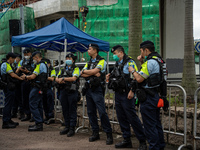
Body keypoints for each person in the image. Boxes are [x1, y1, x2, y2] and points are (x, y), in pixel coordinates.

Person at [106, 45, 147, 149]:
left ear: (121, 53)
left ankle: (142, 142)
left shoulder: (130, 62)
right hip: (118, 94)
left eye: (115, 54)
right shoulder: (117, 64)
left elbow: (135, 78)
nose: (114, 56)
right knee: (121, 118)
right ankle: (126, 140)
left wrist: (132, 91)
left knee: (132, 118)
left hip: (127, 94)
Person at [128, 41, 165, 150]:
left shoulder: (150, 62)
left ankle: (154, 147)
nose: (141, 53)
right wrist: (142, 62)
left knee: (150, 126)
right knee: (156, 124)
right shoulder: (159, 60)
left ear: (146, 50)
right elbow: (149, 74)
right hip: (155, 95)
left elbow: (139, 78)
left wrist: (133, 70)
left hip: (149, 98)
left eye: (141, 51)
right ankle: (160, 146)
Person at [81, 43, 113, 145]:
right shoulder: (89, 62)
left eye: (89, 49)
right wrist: (93, 72)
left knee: (102, 112)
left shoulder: (102, 61)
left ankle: (109, 134)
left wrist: (90, 72)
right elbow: (82, 73)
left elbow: (96, 70)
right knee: (90, 112)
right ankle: (95, 132)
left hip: (97, 89)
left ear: (95, 50)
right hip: (89, 89)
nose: (88, 51)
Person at [21, 51, 48, 131]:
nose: (33, 60)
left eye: (33, 59)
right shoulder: (44, 64)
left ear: (36, 57)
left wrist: (25, 77)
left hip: (37, 87)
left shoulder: (40, 65)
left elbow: (33, 76)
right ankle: (39, 123)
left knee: (32, 103)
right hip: (40, 87)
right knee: (38, 105)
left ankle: (38, 123)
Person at [56, 53, 80, 137]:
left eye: (69, 58)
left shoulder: (76, 68)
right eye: (66, 58)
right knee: (65, 109)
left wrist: (63, 79)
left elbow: (74, 78)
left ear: (73, 60)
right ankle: (67, 126)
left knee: (72, 110)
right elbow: (56, 77)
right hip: (63, 91)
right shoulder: (62, 69)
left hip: (72, 91)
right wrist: (59, 80)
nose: (67, 59)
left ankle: (72, 128)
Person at [1, 52, 23, 129]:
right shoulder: (6, 65)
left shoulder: (8, 65)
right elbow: (12, 75)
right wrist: (20, 78)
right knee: (8, 104)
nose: (14, 60)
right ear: (10, 58)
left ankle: (8, 120)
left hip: (9, 86)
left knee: (10, 104)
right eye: (13, 58)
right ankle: (5, 122)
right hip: (8, 86)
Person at [16, 48, 34, 121]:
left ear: (30, 53)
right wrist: (20, 69)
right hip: (23, 81)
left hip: (31, 81)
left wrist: (27, 71)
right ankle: (27, 114)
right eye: (25, 54)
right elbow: (16, 71)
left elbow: (35, 72)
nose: (26, 55)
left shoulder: (33, 61)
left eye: (27, 54)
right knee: (24, 98)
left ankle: (33, 115)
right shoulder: (21, 62)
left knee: (32, 99)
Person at [42, 58, 55, 124]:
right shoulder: (44, 70)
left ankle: (51, 117)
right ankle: (46, 116)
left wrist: (44, 77)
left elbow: (52, 78)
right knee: (44, 103)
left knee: (50, 103)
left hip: (49, 88)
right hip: (43, 88)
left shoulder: (52, 70)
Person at [11, 53, 23, 118]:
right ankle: (14, 112)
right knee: (15, 99)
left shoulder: (21, 63)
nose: (15, 60)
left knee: (20, 99)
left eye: (15, 58)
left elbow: (16, 72)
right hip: (16, 84)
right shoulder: (14, 64)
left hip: (19, 84)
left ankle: (21, 113)